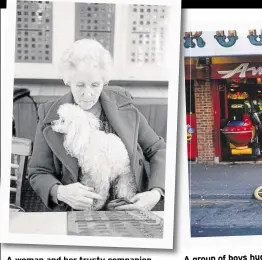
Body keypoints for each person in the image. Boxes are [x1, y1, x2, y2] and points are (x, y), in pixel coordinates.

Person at [28, 39, 166, 211]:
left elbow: (159, 150)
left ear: (104, 81)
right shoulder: (51, 115)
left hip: (127, 208)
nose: (88, 94)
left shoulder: (124, 107)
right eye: (79, 85)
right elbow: (38, 172)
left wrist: (155, 193)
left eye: (95, 85)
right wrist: (61, 192)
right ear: (68, 80)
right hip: (74, 213)